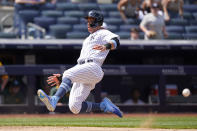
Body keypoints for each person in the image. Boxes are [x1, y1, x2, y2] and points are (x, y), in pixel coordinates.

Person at [37, 10, 123, 118]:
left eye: (90, 20)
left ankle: (54, 99)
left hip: (94, 67)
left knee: (68, 74)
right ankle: (103, 106)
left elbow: (116, 40)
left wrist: (107, 46)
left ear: (97, 22)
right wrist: (63, 77)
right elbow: (81, 65)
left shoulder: (102, 32)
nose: (88, 23)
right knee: (74, 107)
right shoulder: (87, 39)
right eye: (87, 21)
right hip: (85, 69)